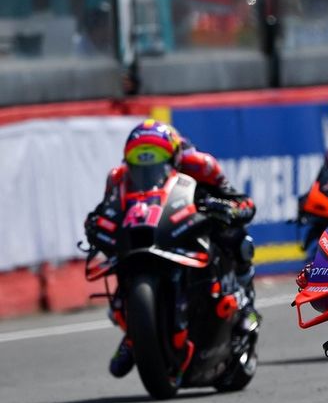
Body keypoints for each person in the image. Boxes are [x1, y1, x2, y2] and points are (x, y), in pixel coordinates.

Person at [84, 119, 257, 378]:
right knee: (120, 257)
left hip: (191, 224)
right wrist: (96, 224)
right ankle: (136, 334)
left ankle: (246, 306)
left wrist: (225, 208)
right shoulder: (119, 178)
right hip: (150, 234)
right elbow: (104, 211)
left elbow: (243, 203)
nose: (148, 168)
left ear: (175, 156)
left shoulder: (200, 165)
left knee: (237, 239)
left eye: (156, 159)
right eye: (140, 161)